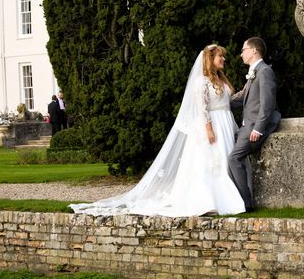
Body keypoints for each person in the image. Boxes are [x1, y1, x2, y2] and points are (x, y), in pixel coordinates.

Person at [72, 44, 245, 217]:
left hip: (226, 122)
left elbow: (228, 101)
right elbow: (203, 108)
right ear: (210, 60)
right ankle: (208, 201)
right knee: (212, 162)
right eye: (220, 56)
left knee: (225, 159)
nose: (223, 59)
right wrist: (208, 129)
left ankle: (230, 195)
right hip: (212, 124)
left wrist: (247, 89)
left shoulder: (222, 80)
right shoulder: (202, 82)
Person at [228, 37, 281, 212]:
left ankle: (246, 203)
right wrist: (218, 103)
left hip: (253, 127)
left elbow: (267, 104)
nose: (241, 53)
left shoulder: (264, 71)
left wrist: (258, 128)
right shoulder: (254, 72)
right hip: (246, 126)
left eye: (244, 50)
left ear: (253, 51)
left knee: (234, 158)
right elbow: (243, 97)